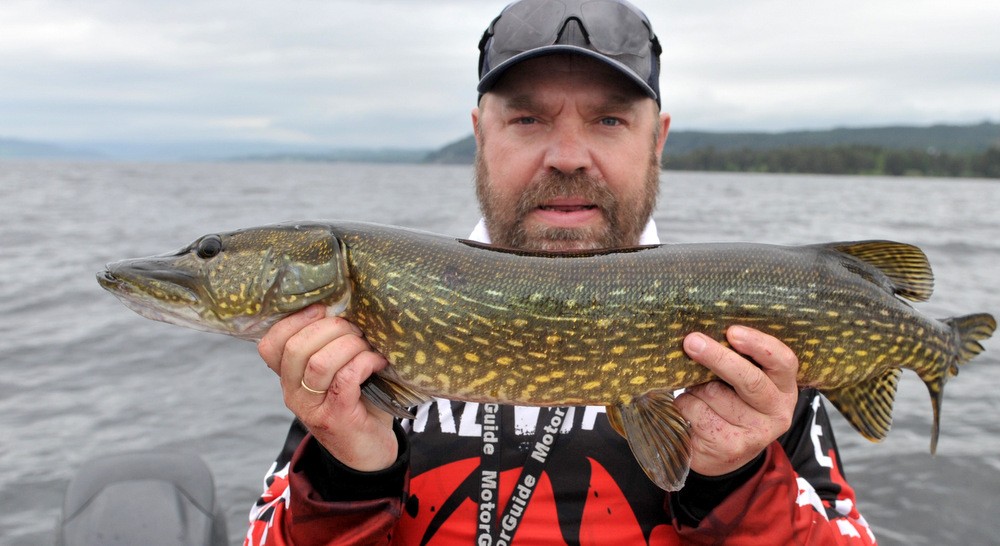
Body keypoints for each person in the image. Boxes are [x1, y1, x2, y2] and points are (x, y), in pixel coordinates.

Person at [246, 1, 877, 544]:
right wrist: (346, 473)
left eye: (609, 120)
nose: (569, 157)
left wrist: (737, 482)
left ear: (656, 141)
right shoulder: (362, 351)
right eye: (527, 119)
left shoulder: (756, 351)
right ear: (480, 136)